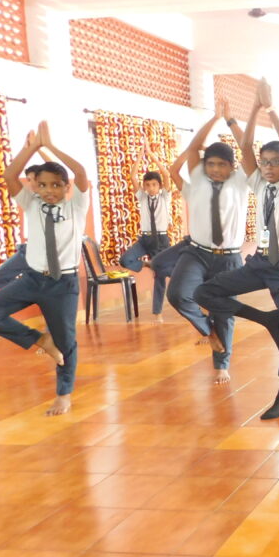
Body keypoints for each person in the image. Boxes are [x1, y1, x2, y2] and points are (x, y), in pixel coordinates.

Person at [195, 80, 279, 419]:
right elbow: (244, 146)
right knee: (204, 292)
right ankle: (263, 319)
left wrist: (271, 110)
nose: (269, 166)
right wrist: (252, 110)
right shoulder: (258, 181)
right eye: (265, 162)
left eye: (276, 162)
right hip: (259, 262)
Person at [0, 122, 90, 416]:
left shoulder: (76, 206)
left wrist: (50, 147)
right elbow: (10, 174)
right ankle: (40, 340)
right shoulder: (31, 203)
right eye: (43, 185)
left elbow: (82, 173)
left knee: (67, 343)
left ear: (66, 187)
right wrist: (32, 149)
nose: (49, 190)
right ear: (35, 186)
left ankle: (64, 395)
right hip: (33, 279)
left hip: (63, 284)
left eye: (56, 185)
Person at [166, 104, 250, 385]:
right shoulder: (198, 180)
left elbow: (247, 149)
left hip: (228, 258)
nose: (215, 169)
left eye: (221, 165)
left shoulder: (240, 182)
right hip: (197, 252)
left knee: (224, 311)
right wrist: (213, 118)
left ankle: (222, 364)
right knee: (178, 295)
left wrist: (229, 120)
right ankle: (207, 331)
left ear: (231, 167)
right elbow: (192, 149)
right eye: (210, 164)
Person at [118, 147, 174, 317]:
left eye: (154, 185)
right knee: (125, 259)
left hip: (161, 240)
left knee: (161, 276)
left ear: (159, 186)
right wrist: (140, 155)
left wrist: (151, 155)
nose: (151, 188)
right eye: (147, 185)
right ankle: (148, 264)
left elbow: (165, 173)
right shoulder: (142, 197)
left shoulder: (165, 196)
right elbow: (133, 176)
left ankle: (157, 312)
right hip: (145, 240)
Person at [0, 160, 44, 289]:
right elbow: (10, 176)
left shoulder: (54, 200)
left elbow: (57, 170)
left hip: (40, 252)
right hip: (30, 249)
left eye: (33, 179)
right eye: (28, 180)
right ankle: (28, 293)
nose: (30, 183)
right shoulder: (30, 198)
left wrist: (42, 147)